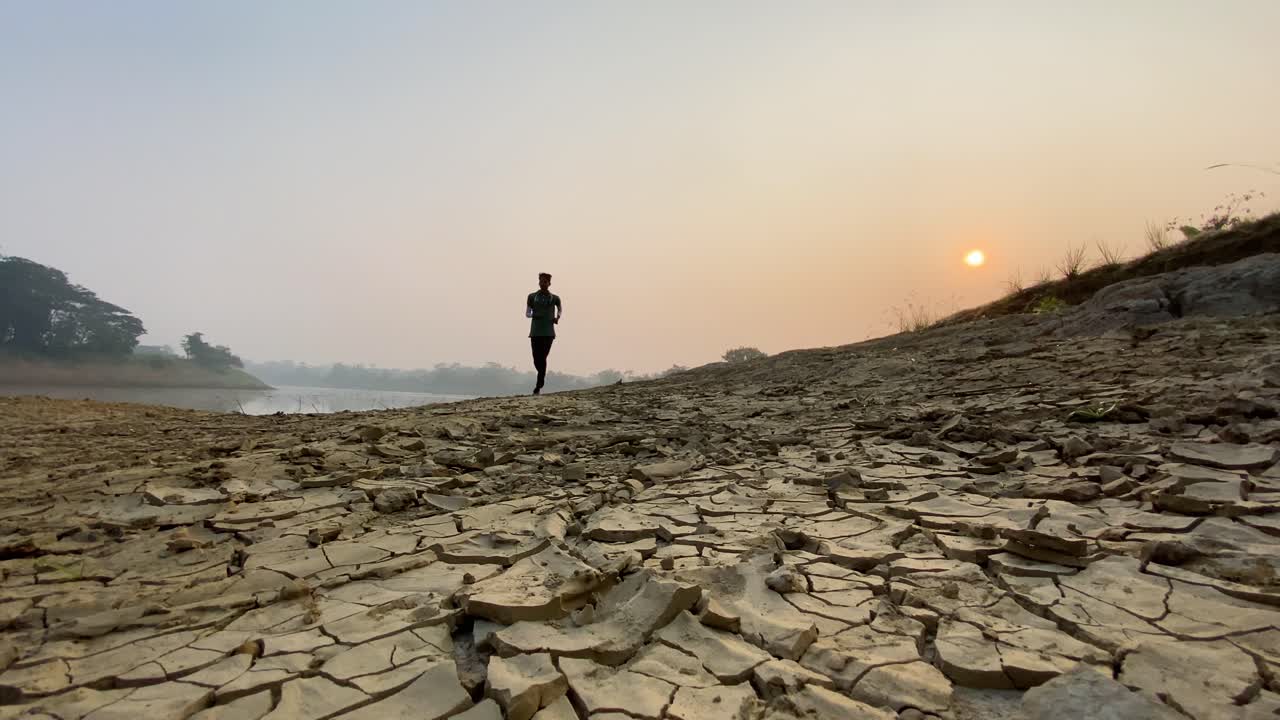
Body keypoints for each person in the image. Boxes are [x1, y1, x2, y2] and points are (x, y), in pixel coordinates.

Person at [526, 272, 562, 395]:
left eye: (545, 282)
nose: (543, 284)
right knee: (536, 359)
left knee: (543, 357)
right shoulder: (532, 297)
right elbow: (527, 313)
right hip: (535, 332)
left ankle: (538, 385)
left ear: (549, 283)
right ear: (539, 282)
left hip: (548, 333)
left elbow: (560, 309)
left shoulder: (554, 298)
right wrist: (534, 315)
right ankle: (541, 375)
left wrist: (557, 317)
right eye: (541, 281)